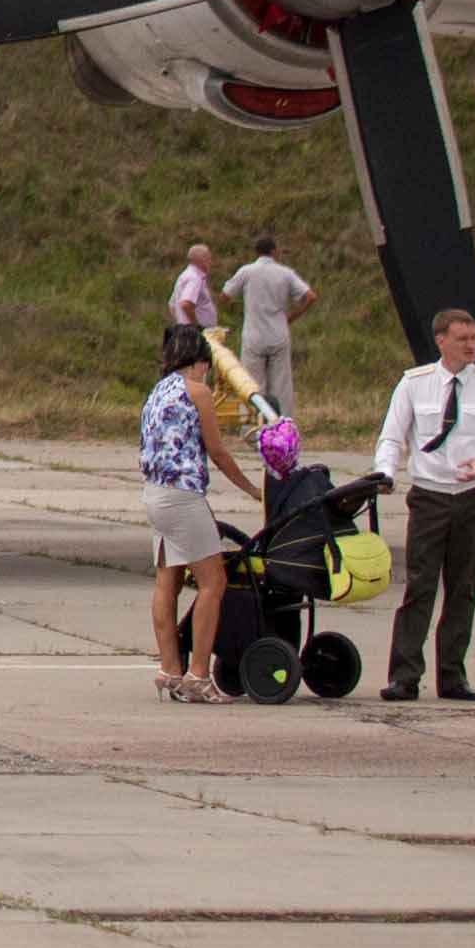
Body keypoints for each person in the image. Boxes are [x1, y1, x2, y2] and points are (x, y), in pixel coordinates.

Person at [370, 306, 475, 705]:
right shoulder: (415, 384)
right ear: (441, 341)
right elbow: (391, 436)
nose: (471, 346)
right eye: (462, 339)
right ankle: (404, 676)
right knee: (420, 586)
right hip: (431, 495)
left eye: (473, 339)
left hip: (473, 497)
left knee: (463, 587)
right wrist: (385, 472)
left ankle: (452, 675)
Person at [141, 323, 255, 699]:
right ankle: (198, 674)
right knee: (214, 582)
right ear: (200, 361)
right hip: (184, 496)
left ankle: (169, 668)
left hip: (154, 494)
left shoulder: (158, 392)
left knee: (167, 582)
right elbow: (217, 451)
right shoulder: (197, 392)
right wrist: (252, 489)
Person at [228, 232, 317, 426]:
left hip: (254, 334)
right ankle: (283, 426)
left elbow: (226, 294)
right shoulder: (285, 273)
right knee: (281, 386)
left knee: (252, 384)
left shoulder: (247, 271)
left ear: (256, 252)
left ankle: (252, 428)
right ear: (275, 252)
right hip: (278, 333)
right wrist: (291, 316)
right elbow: (310, 296)